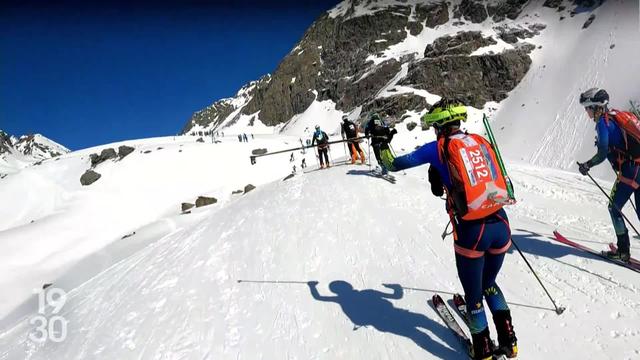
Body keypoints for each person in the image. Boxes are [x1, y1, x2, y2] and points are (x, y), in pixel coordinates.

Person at [380, 98, 517, 360]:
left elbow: (394, 163)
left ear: (440, 126)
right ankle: (510, 341)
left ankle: (483, 350)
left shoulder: (437, 148)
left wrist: (381, 148)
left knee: (474, 294)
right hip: (501, 222)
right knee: (489, 283)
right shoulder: (477, 141)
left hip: (471, 232)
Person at [577, 87, 640, 262]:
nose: (587, 112)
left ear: (596, 107)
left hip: (630, 171)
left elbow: (603, 152)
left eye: (587, 108)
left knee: (614, 208)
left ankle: (623, 251)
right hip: (639, 166)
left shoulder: (603, 124)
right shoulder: (615, 116)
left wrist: (587, 165)